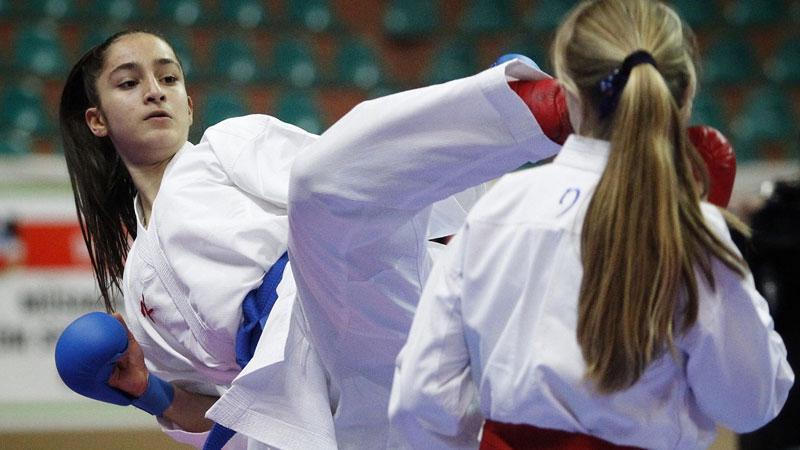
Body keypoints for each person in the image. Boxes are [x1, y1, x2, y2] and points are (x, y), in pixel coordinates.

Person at [54, 30, 570, 449]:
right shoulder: (139, 288)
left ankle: (533, 107)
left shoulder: (223, 148)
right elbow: (222, 412)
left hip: (343, 294)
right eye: (129, 83)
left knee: (319, 186)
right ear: (96, 120)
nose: (154, 91)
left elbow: (354, 181)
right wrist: (146, 391)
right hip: (321, 403)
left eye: (168, 77)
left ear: (188, 104)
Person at [388, 1, 794, 449]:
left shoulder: (499, 210)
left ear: (568, 94)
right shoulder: (692, 230)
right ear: (684, 97)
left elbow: (421, 396)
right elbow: (748, 403)